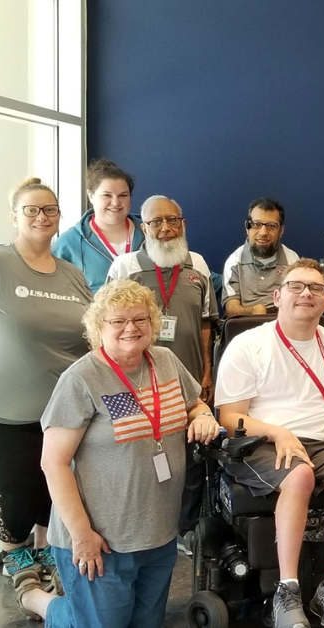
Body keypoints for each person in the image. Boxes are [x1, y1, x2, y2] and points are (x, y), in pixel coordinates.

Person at [14, 280, 220, 625]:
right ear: (98, 327)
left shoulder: (166, 361)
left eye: (140, 319)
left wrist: (203, 415)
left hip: (158, 532)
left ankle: (49, 601)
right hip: (101, 538)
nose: (131, 328)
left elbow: (193, 403)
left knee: (146, 622)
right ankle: (38, 600)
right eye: (118, 321)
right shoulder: (82, 379)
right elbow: (53, 462)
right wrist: (82, 536)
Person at [214, 259, 324, 628]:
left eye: (316, 288)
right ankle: (286, 591)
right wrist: (279, 432)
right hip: (260, 441)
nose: (306, 293)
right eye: (296, 286)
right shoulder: (249, 345)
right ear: (277, 296)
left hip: (321, 441)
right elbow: (229, 416)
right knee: (300, 475)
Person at [107, 195, 219, 542]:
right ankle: (142, 526)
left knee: (189, 460)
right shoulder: (125, 267)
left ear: (183, 224)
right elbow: (106, 325)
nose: (166, 228)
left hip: (187, 384)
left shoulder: (198, 264)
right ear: (144, 228)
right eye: (157, 222)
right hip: (136, 384)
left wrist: (206, 372)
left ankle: (184, 530)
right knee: (140, 456)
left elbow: (206, 323)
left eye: (173, 220)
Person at [0, 179, 92, 584]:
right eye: (32, 210)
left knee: (53, 490)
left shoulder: (72, 274)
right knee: (18, 494)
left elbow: (92, 331)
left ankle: (44, 547)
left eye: (50, 209)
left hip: (67, 409)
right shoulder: (2, 262)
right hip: (13, 409)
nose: (42, 217)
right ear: (14, 216)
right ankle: (12, 554)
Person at [53, 159, 146, 294]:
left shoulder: (150, 233)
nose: (116, 202)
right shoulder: (68, 243)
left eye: (123, 195)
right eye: (107, 195)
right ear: (91, 196)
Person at [222, 197, 299, 316]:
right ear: (247, 227)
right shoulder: (234, 261)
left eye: (271, 226)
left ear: (281, 230)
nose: (263, 232)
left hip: (282, 323)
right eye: (256, 224)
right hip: (246, 323)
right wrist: (253, 311)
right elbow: (231, 309)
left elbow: (297, 302)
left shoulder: (292, 261)